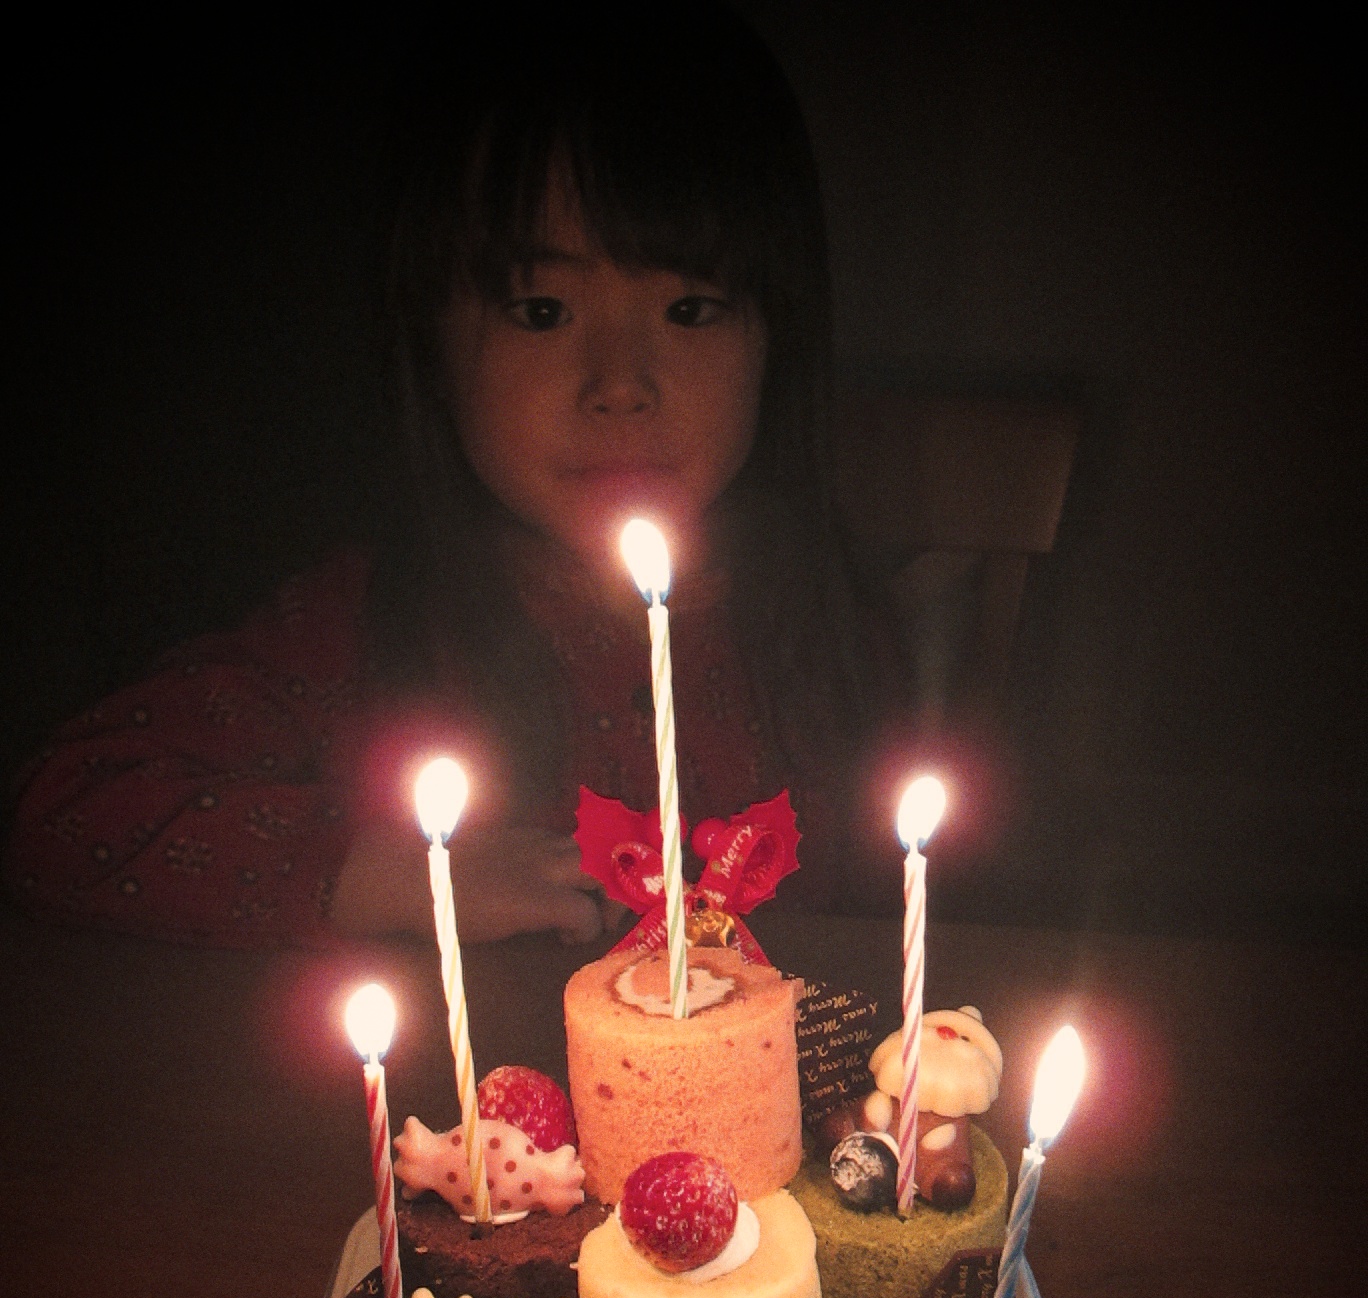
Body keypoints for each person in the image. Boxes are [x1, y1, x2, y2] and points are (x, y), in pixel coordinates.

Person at [5, 5, 911, 950]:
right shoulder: (361, 625)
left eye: (690, 307)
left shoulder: (835, 635)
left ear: (778, 338)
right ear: (433, 346)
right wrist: (384, 877)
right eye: (541, 309)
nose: (620, 385)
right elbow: (60, 819)